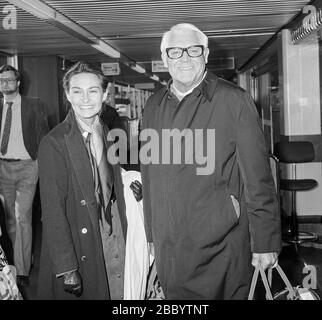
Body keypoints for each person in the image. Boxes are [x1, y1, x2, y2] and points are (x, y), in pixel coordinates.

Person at [140, 23, 282, 300]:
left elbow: (258, 178)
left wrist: (264, 242)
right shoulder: (153, 106)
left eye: (193, 50)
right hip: (169, 245)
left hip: (221, 246)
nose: (184, 58)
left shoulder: (233, 100)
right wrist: (151, 235)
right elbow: (149, 176)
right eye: (175, 51)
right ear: (164, 58)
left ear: (205, 54)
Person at [37, 62, 128, 300]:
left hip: (110, 231)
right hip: (80, 238)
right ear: (67, 95)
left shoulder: (106, 131)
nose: (85, 99)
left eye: (93, 91)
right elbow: (53, 209)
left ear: (105, 94)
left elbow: (109, 179)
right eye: (77, 91)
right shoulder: (54, 142)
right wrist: (67, 267)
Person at [0, 65, 49, 288]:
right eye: (1, 80)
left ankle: (21, 270)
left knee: (22, 217)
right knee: (9, 220)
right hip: (2, 168)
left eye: (9, 80)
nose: (5, 84)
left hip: (28, 167)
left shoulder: (33, 105)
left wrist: (40, 165)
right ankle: (21, 255)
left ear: (18, 83)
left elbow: (44, 138)